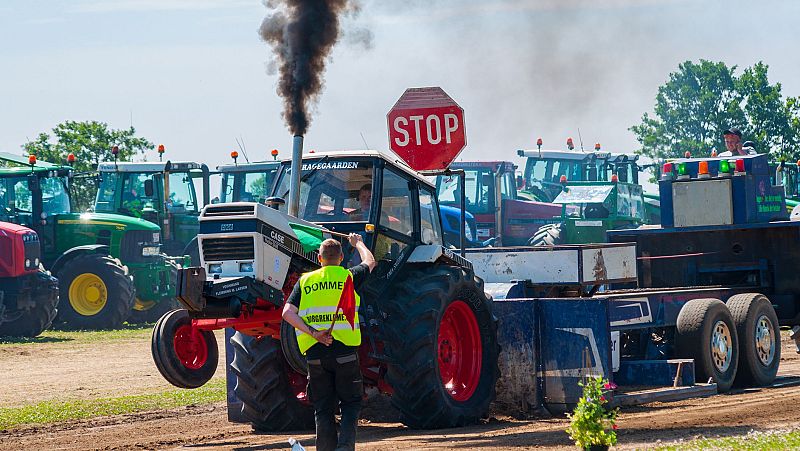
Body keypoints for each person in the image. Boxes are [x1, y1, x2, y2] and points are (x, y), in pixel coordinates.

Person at [282, 234, 376, 451]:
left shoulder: (305, 281)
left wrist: (314, 333)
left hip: (315, 355)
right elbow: (370, 262)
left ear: (319, 257)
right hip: (345, 353)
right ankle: (344, 448)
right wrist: (359, 243)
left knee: (323, 408)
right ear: (341, 257)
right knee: (350, 403)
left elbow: (288, 313)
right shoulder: (349, 277)